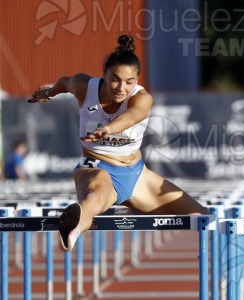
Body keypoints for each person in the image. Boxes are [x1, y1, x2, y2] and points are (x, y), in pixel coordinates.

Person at [29, 35, 208, 252]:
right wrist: (49, 92)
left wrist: (109, 128)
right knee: (94, 200)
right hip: (97, 169)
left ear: (136, 80)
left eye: (129, 82)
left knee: (203, 218)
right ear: (103, 73)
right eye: (115, 79)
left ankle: (220, 270)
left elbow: (133, 116)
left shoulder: (142, 99)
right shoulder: (85, 87)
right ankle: (72, 228)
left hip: (137, 176)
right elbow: (65, 82)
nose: (121, 88)